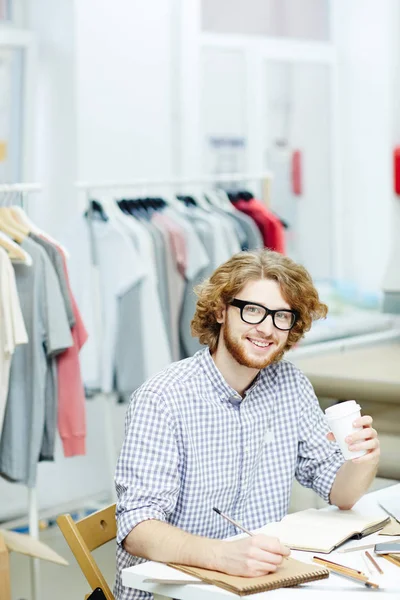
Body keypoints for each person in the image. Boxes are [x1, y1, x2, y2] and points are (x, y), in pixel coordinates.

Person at [114, 250, 380, 600]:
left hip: (259, 585)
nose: (267, 328)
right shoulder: (163, 398)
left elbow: (340, 493)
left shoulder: (289, 384)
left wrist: (364, 460)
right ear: (222, 310)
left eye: (281, 316)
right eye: (253, 310)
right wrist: (223, 555)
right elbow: (137, 528)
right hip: (174, 590)